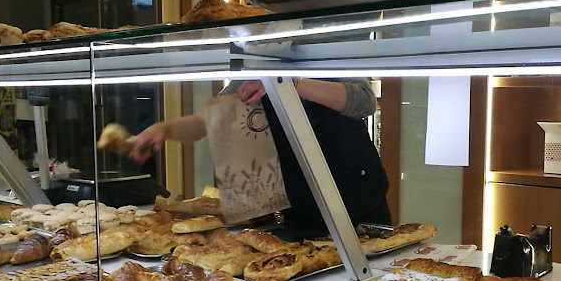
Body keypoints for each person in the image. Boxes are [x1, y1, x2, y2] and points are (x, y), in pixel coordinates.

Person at [131, 77, 390, 238]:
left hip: (357, 199)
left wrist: (287, 83)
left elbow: (364, 101)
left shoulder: (323, 46)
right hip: (301, 206)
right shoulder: (250, 68)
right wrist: (164, 129)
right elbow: (214, 120)